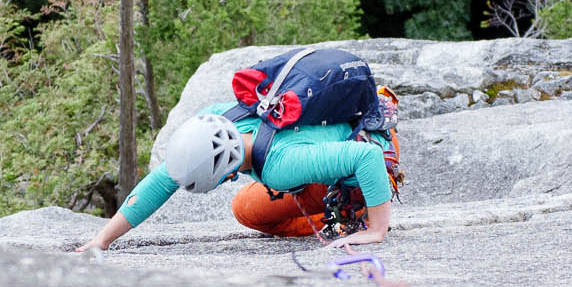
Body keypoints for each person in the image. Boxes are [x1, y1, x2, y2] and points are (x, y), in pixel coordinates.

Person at [74, 106, 393, 252]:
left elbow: (367, 158)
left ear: (225, 175)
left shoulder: (280, 167)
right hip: (334, 133)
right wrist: (102, 240)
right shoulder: (221, 118)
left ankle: (354, 212)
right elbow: (162, 182)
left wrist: (377, 231)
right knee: (246, 208)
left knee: (259, 205)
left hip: (373, 147)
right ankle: (329, 217)